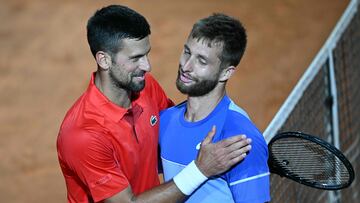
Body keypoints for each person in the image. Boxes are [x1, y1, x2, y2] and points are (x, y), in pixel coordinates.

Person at [56, 5, 252, 203]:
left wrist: (242, 157)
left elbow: (174, 138)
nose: (147, 66)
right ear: (104, 60)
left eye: (146, 54)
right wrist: (201, 170)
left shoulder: (145, 87)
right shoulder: (83, 135)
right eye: (136, 58)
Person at [159, 13, 270, 202]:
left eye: (201, 61)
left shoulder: (239, 137)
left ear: (226, 73)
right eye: (187, 52)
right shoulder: (166, 120)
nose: (186, 66)